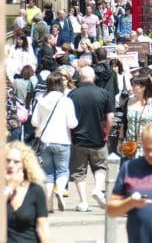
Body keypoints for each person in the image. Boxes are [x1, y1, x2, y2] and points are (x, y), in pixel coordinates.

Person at [68, 65, 115, 212]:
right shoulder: (103, 93)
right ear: (93, 77)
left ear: (80, 78)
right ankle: (97, 189)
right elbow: (110, 116)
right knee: (101, 166)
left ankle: (83, 202)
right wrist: (107, 131)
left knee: (79, 172)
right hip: (98, 138)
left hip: (78, 139)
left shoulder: (72, 94)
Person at [31, 72, 78, 213]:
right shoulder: (66, 101)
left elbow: (34, 121)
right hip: (63, 140)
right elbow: (72, 123)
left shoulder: (41, 100)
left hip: (45, 140)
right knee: (63, 170)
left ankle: (48, 205)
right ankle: (60, 189)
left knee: (48, 173)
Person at [5, 141, 50, 243]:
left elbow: (43, 228)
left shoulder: (35, 190)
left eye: (16, 162)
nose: (11, 165)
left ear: (25, 164)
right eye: (8, 160)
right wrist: (9, 187)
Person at [118, 75, 152, 160]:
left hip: (147, 147)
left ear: (143, 87)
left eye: (134, 85)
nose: (131, 87)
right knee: (127, 172)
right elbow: (124, 123)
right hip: (129, 146)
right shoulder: (128, 102)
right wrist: (120, 141)